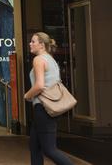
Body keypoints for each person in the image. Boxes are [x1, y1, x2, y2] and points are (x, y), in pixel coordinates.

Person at [24, 32, 72, 165]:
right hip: (47, 107)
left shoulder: (38, 60)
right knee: (34, 146)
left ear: (42, 45)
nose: (30, 44)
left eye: (33, 41)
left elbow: (39, 85)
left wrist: (27, 95)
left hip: (43, 108)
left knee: (49, 149)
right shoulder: (50, 59)